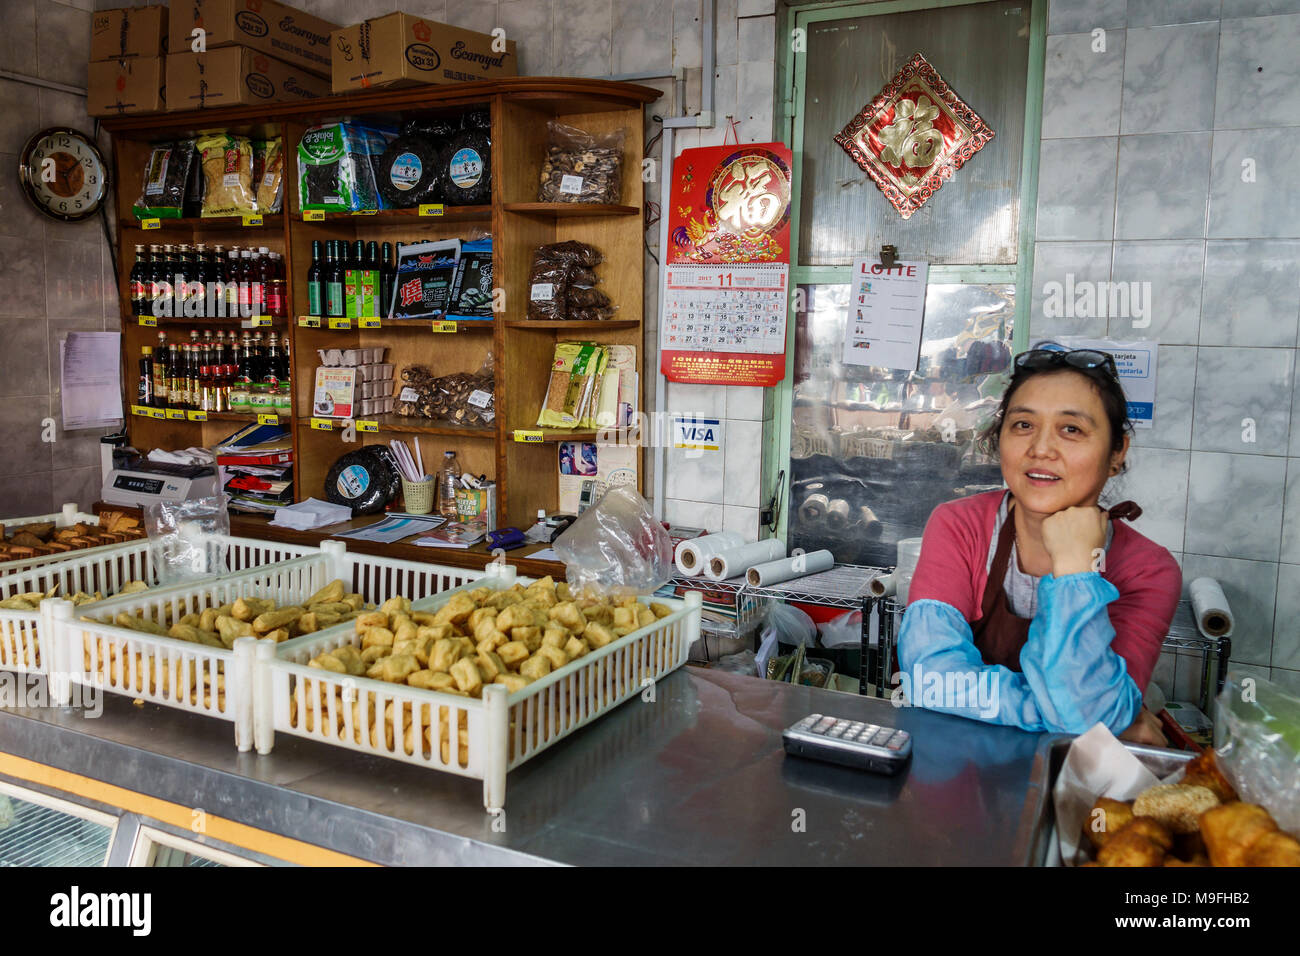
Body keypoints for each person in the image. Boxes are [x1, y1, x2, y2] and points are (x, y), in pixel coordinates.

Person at [896, 348, 1181, 744]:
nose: (1041, 448)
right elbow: (930, 679)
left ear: (1116, 454)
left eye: (1071, 429)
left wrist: (1075, 573)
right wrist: (1076, 716)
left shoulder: (1149, 570)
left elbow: (1087, 716)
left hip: (1076, 787)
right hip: (963, 772)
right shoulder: (960, 526)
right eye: (1024, 424)